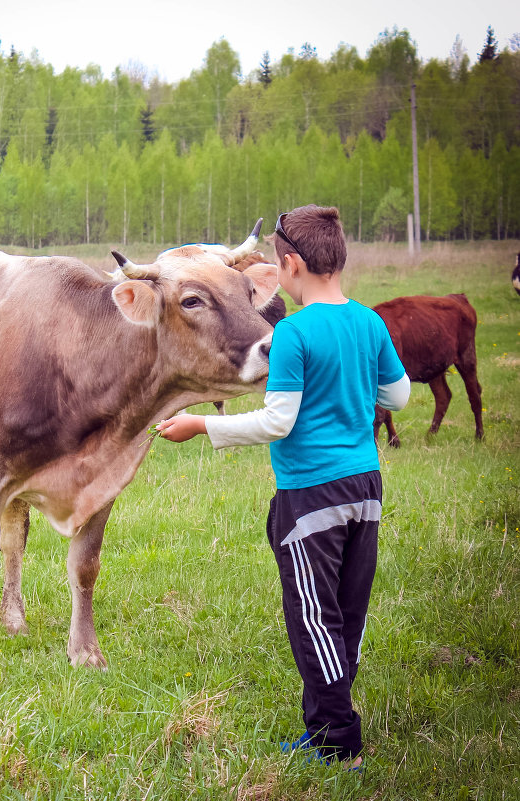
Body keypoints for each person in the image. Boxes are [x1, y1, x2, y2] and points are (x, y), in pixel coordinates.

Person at [156, 205, 410, 769]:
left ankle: (341, 745)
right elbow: (398, 398)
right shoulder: (369, 322)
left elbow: (277, 422)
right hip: (366, 491)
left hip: (310, 498)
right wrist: (349, 392)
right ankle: (322, 730)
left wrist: (203, 425)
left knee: (314, 621)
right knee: (346, 611)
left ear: (291, 265)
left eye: (277, 264)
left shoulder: (292, 333)